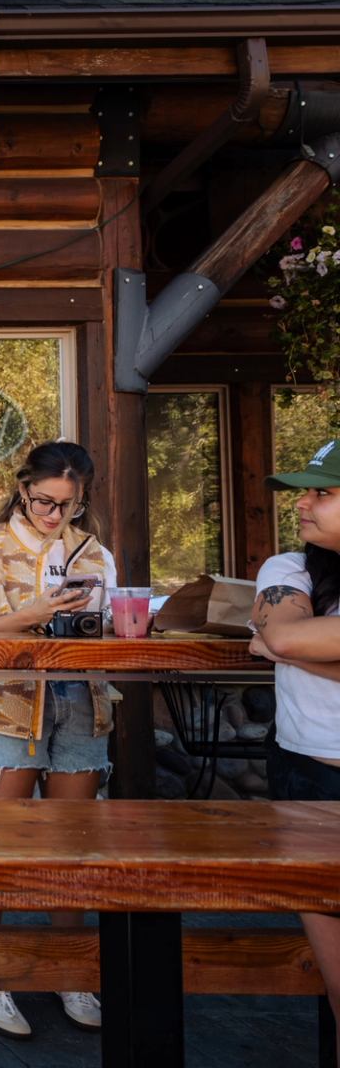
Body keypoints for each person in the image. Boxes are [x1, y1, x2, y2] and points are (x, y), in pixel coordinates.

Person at [0, 440, 116, 1039]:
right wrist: (34, 612)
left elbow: (108, 630)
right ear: (23, 489)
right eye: (44, 501)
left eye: (66, 506)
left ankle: (71, 974)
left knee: (71, 848)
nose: (52, 516)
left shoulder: (95, 553)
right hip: (7, 705)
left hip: (81, 703)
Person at [249, 436, 340, 1067]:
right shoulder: (287, 570)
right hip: (312, 781)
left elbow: (280, 645)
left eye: (323, 492)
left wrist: (302, 648)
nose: (303, 503)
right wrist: (286, 643)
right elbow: (280, 636)